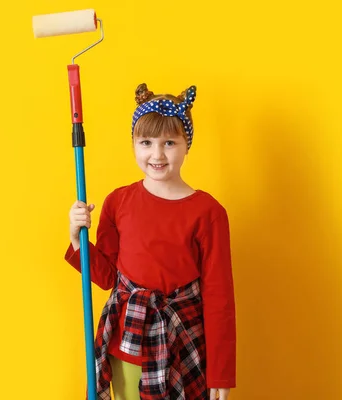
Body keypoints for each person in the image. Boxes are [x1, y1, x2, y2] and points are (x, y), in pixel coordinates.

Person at [65, 83, 236, 400]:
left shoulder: (209, 212)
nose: (157, 154)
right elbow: (105, 277)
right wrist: (78, 241)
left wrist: (221, 375)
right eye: (146, 142)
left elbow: (220, 299)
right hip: (127, 344)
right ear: (133, 145)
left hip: (184, 344)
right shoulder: (118, 201)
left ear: (187, 145)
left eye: (169, 142)